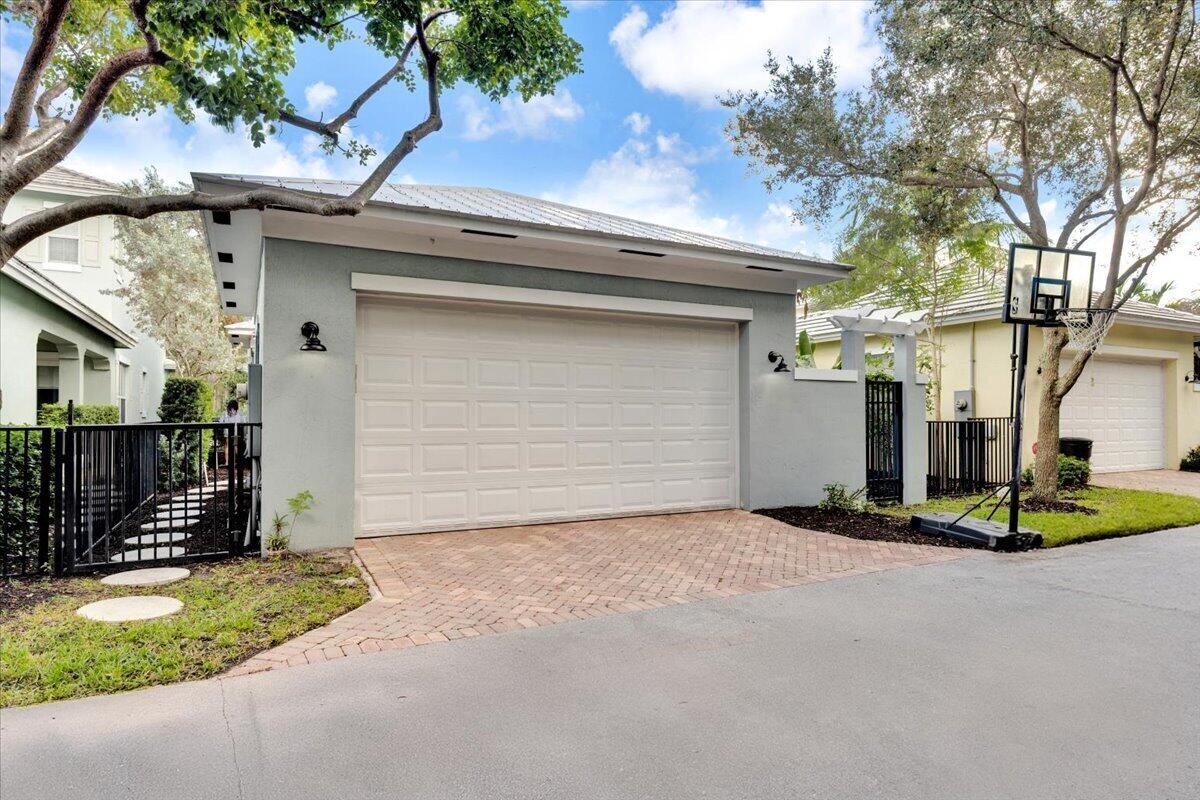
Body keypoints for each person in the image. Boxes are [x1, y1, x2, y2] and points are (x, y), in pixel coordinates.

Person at [217, 400, 246, 474]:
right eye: (231, 409)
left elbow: (243, 422)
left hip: (234, 432)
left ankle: (233, 462)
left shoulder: (237, 413)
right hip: (230, 432)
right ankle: (229, 462)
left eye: (233, 409)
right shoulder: (227, 413)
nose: (232, 411)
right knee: (229, 445)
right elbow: (221, 422)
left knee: (233, 445)